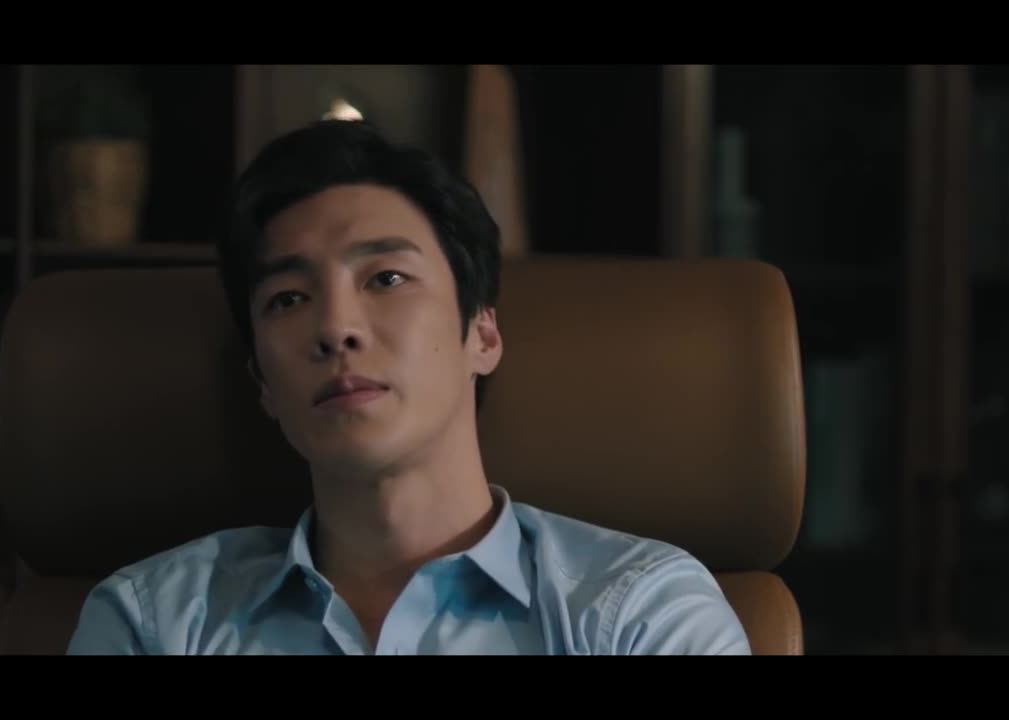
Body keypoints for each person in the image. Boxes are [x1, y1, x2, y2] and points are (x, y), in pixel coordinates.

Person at [66, 119, 751, 655]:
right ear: (263, 383)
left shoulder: (638, 614)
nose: (336, 328)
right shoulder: (156, 625)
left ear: (482, 334)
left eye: (386, 278)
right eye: (288, 298)